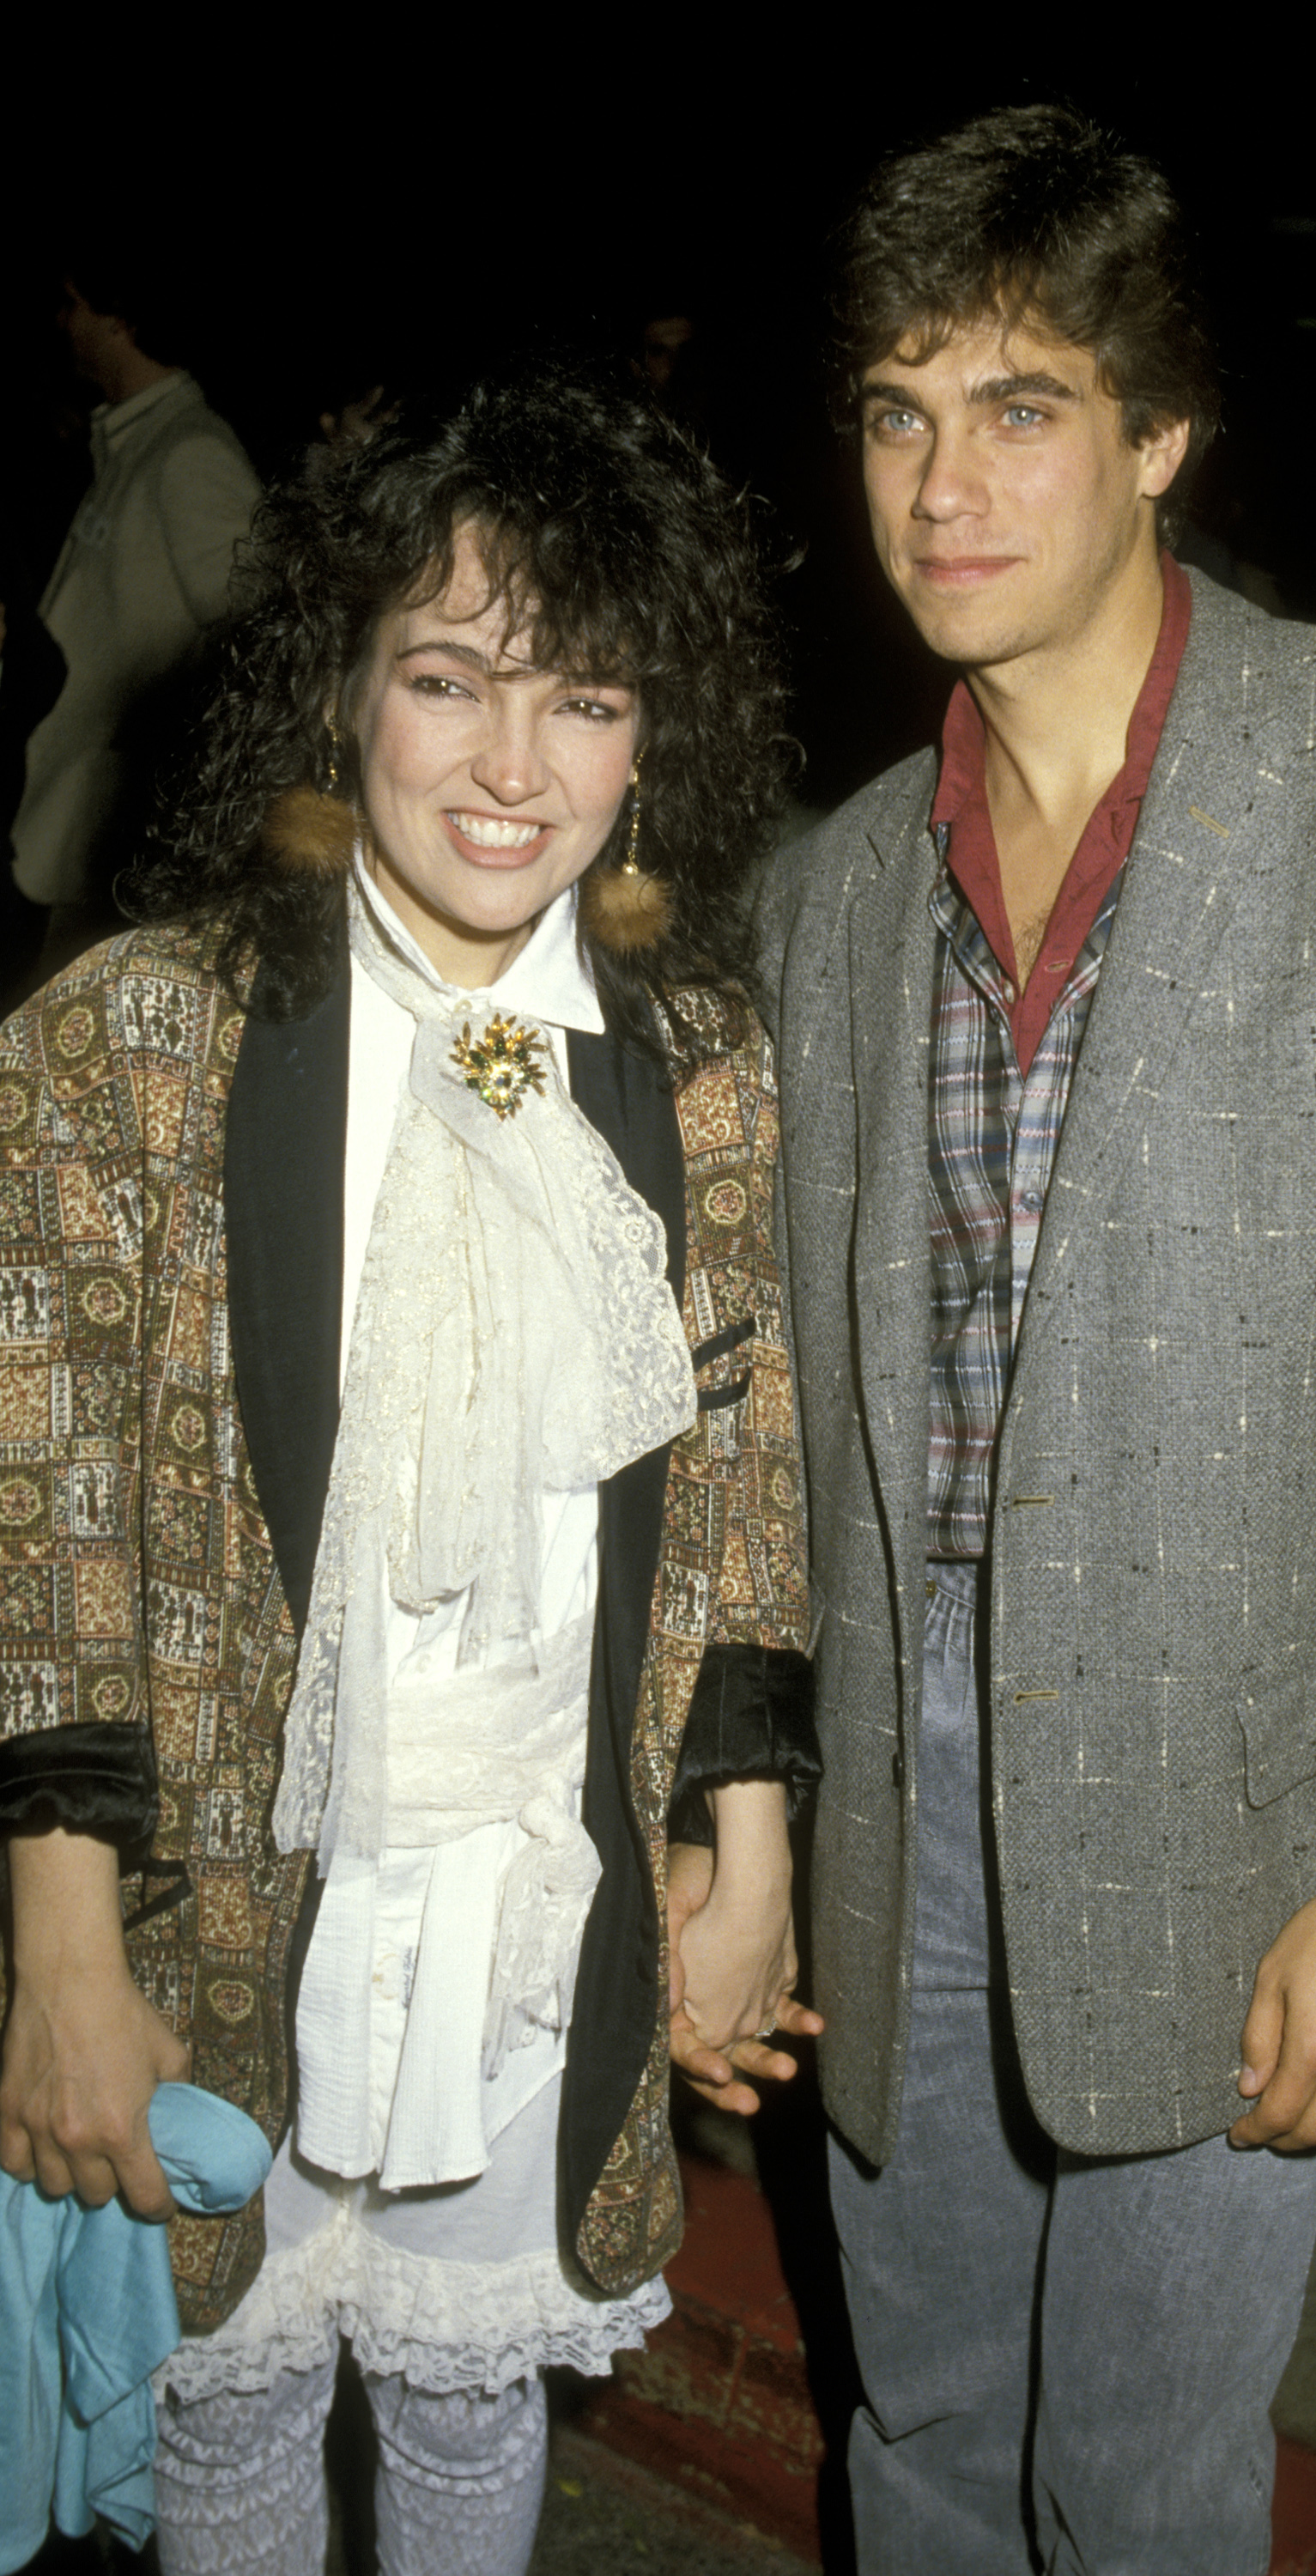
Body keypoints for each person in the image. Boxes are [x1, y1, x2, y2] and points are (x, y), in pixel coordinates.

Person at [756, 106, 1316, 2575]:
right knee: (916, 2437)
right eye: (898, 411)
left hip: (1234, 1788)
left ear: (1158, 439)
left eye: (1021, 405)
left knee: (1135, 2493)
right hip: (898, 1790)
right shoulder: (825, 896)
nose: (942, 481)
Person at [0, 360, 820, 2574]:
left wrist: (742, 1846)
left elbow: (738, 1465)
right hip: (232, 1879)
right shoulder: (132, 1042)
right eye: (447, 678)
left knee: (474, 2406)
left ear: (648, 745)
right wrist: (62, 1955)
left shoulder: (701, 1063)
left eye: (581, 698)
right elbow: (50, 1513)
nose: (509, 765)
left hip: (530, 1886)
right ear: (342, 691)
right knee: (235, 2404)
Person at [10, 261, 263, 979]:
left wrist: (150, 754)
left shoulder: (191, 452)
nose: (61, 324)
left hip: (101, 851)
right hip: (54, 827)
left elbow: (257, 640)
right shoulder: (131, 442)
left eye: (72, 304)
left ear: (118, 314)